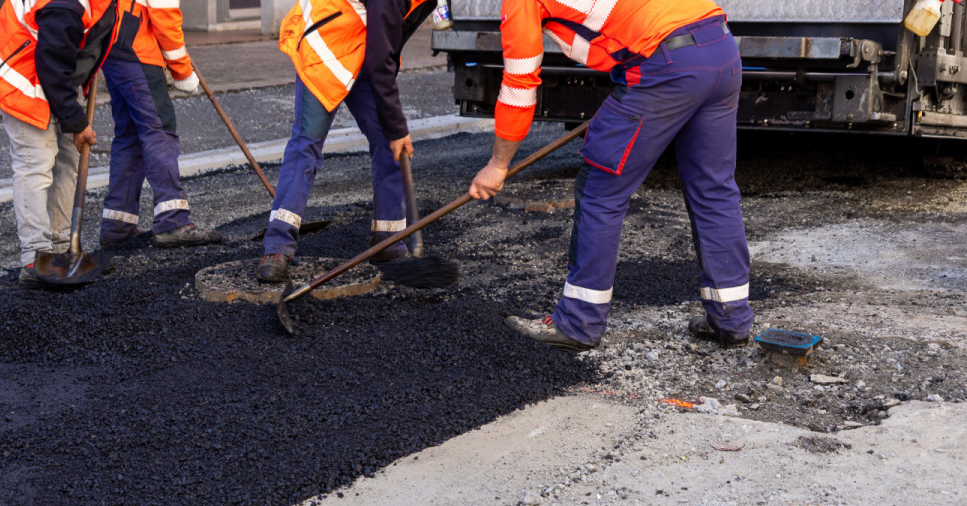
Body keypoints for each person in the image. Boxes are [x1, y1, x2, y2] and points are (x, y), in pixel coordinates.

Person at [469, 0, 753, 351]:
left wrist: (497, 165)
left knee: (600, 189)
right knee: (714, 189)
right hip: (719, 48)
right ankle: (732, 319)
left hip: (667, 64)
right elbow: (611, 36)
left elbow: (520, 83)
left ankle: (578, 322)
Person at [256, 0, 436, 283]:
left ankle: (388, 241)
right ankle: (277, 247)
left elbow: (387, 42)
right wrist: (398, 125)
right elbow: (382, 58)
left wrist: (394, 128)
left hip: (363, 46)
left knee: (391, 142)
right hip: (327, 42)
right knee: (306, 145)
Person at [0, 0, 119, 287]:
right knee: (35, 162)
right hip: (20, 77)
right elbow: (51, 65)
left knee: (68, 161)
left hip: (51, 75)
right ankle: (35, 256)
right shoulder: (65, 5)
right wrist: (77, 123)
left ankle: (63, 249)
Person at [99, 0, 222, 248]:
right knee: (159, 131)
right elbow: (165, 16)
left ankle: (117, 225)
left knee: (129, 136)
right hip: (137, 48)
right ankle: (172, 221)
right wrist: (183, 73)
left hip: (112, 47)